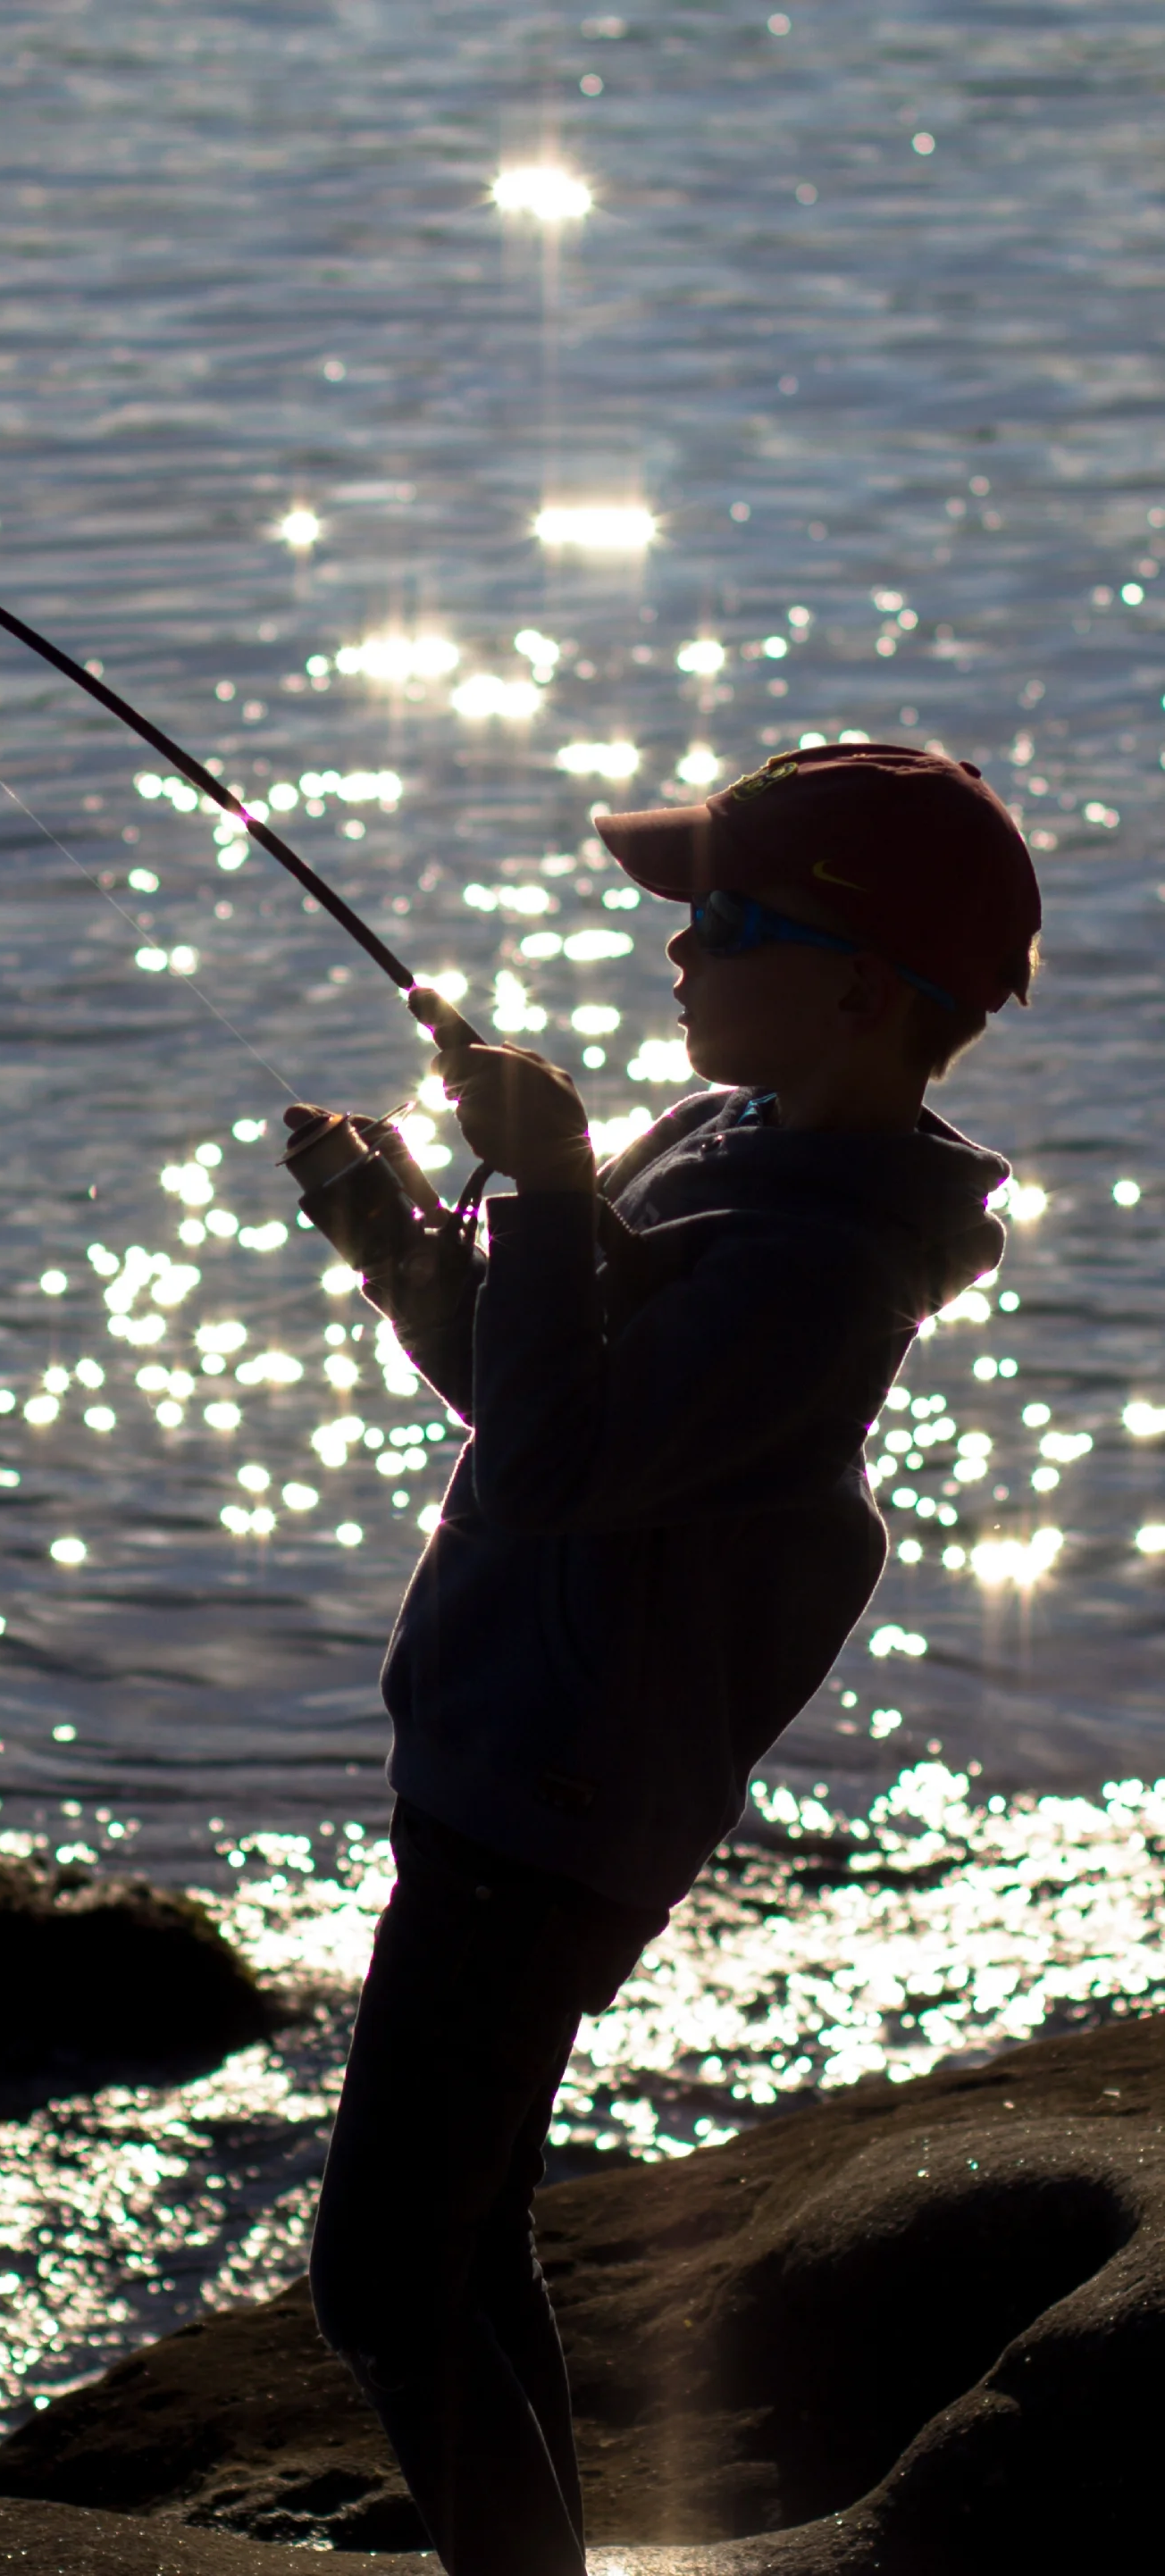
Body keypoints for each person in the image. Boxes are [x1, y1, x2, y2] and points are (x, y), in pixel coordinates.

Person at [298, 741, 1042, 2576]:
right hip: (492, 1756)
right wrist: (402, 1233)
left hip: (550, 1803)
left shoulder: (820, 1274)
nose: (674, 957)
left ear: (861, 983)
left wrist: (549, 1182)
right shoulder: (727, 1139)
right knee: (461, 2244)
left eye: (717, 921)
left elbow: (551, 1461)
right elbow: (532, 1390)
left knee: (381, 2273)